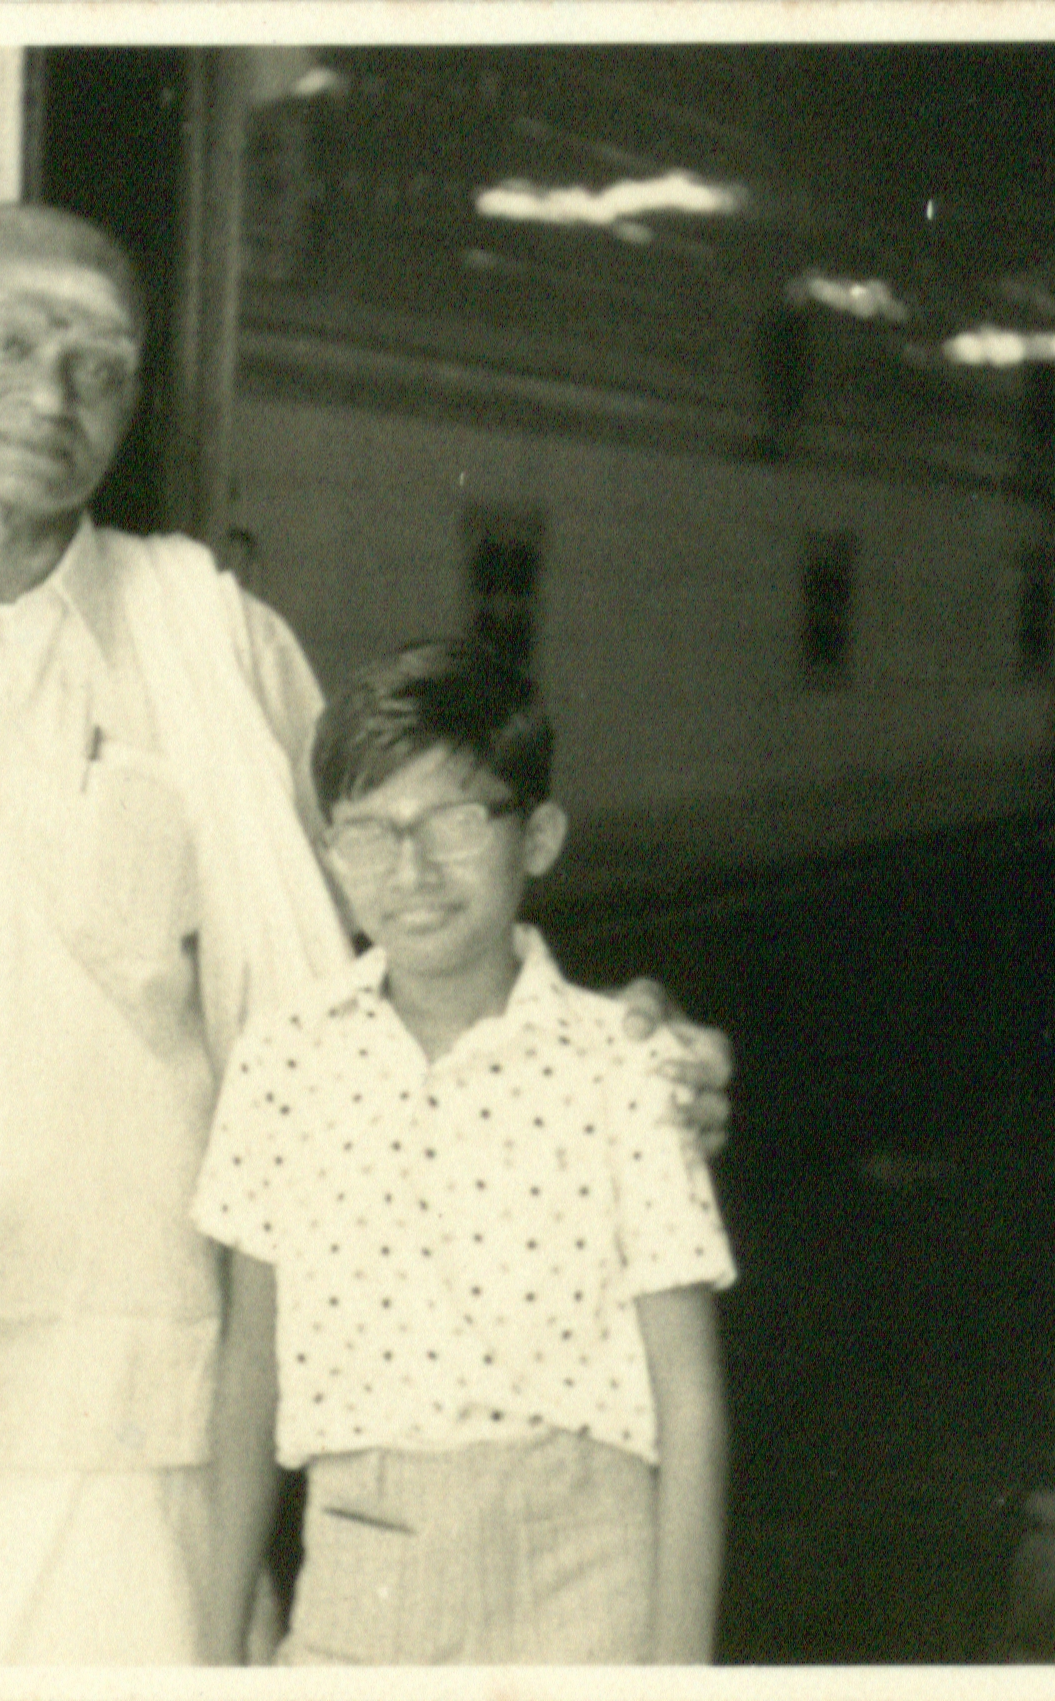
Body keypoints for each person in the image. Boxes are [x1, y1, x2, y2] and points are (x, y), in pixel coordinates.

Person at [0, 202, 730, 1664]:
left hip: (123, 1371)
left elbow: (399, 913)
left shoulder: (211, 635)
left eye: (96, 365)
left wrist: (617, 1034)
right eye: (5, 345)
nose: (49, 394)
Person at [190, 639, 734, 1665]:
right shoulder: (281, 1066)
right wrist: (215, 1650)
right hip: (359, 1567)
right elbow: (247, 1374)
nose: (411, 871)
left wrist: (680, 1671)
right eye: (367, 834)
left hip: (588, 1572)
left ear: (537, 838)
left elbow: (690, 1403)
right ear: (331, 856)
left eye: (453, 821)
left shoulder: (624, 1066)